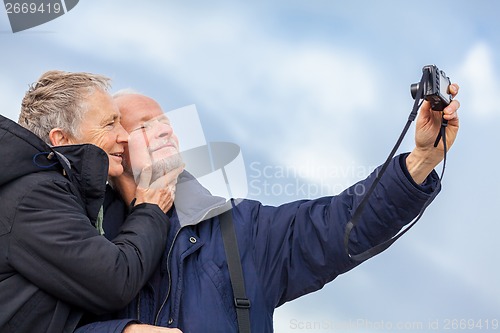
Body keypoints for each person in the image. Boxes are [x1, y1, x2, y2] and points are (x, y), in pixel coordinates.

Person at [81, 83, 460, 332]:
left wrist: (421, 161)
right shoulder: (83, 241)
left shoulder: (241, 229)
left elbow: (338, 223)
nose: (165, 130)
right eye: (145, 126)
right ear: (116, 148)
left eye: (166, 123)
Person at [0, 71, 183, 333]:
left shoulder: (53, 192)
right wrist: (149, 209)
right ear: (61, 139)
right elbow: (114, 281)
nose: (124, 136)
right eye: (109, 124)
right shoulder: (34, 197)